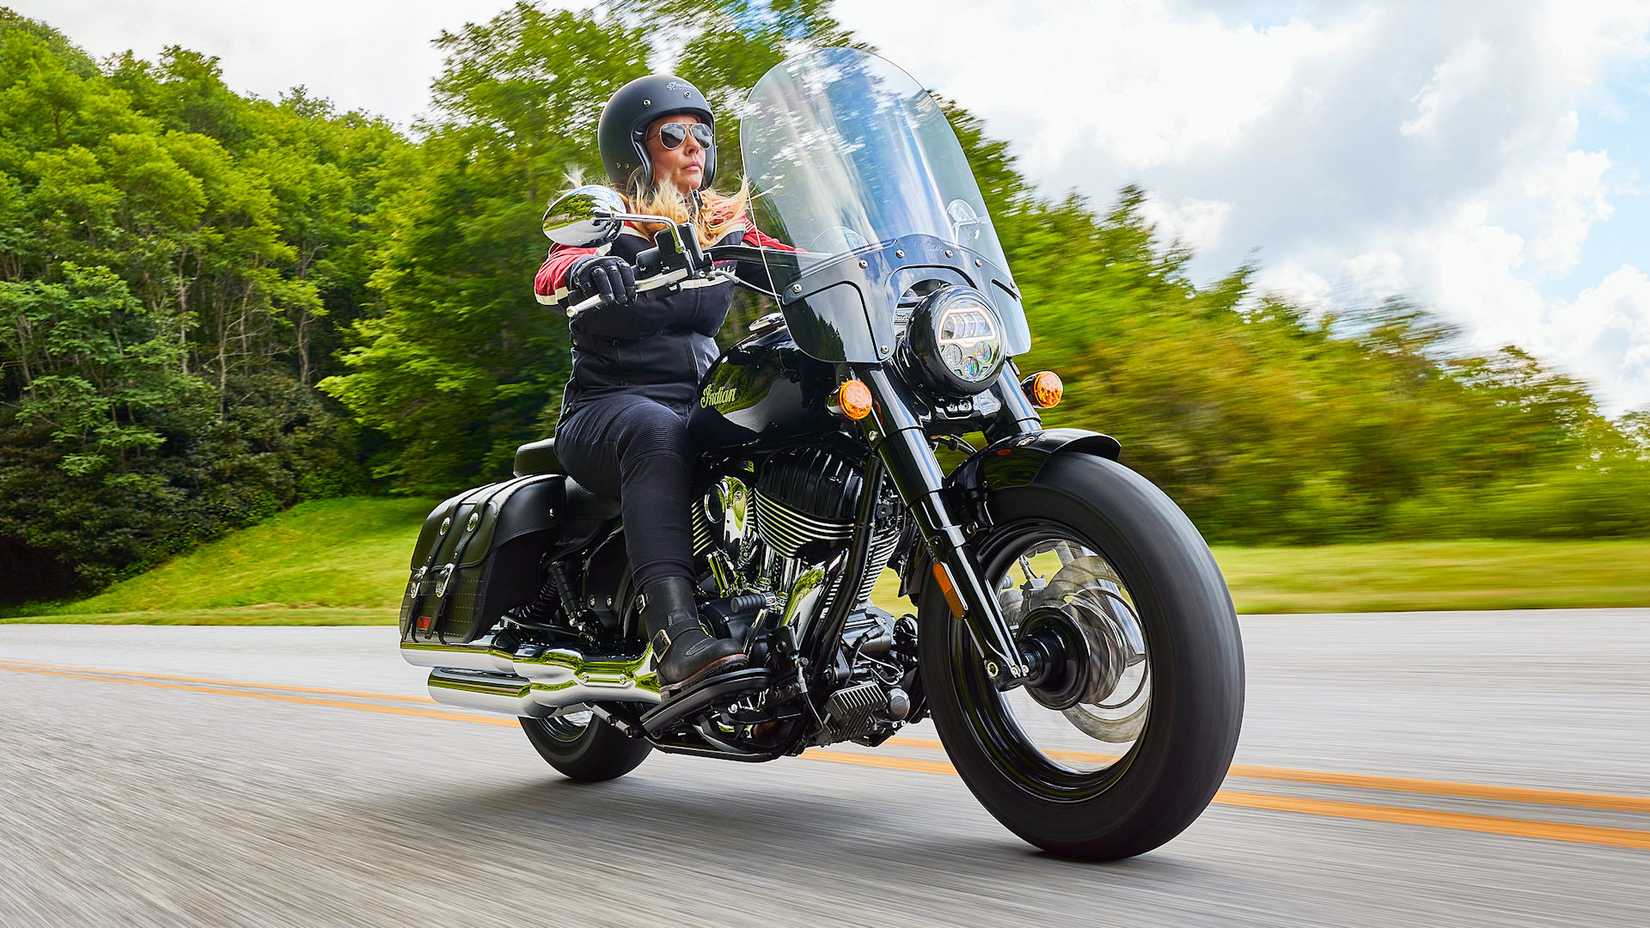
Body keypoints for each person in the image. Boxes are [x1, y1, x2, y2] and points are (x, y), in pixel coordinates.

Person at [532, 74, 790, 698]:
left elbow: (805, 262)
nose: (694, 145)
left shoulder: (721, 230)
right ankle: (675, 633)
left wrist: (876, 262)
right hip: (606, 412)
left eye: (702, 133)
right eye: (673, 134)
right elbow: (551, 271)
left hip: (697, 403)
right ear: (636, 152)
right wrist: (592, 267)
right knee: (656, 429)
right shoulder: (609, 225)